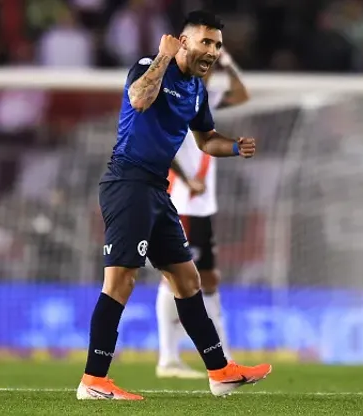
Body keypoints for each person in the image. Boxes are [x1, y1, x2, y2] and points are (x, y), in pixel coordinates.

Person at [76, 10, 271, 401]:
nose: (213, 51)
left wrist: (233, 146)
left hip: (156, 190)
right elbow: (139, 99)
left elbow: (205, 139)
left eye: (217, 44)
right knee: (121, 281)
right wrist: (164, 59)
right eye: (206, 42)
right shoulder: (149, 66)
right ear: (182, 42)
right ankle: (93, 380)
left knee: (187, 279)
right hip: (127, 183)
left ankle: (220, 372)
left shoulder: (197, 89)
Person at [155, 48, 250, 379]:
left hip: (203, 204)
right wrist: (185, 179)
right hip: (183, 201)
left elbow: (242, 93)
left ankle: (222, 352)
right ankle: (168, 357)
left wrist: (229, 62)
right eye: (204, 62)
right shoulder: (176, 99)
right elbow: (159, 145)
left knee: (208, 277)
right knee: (176, 277)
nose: (208, 68)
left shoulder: (205, 99)